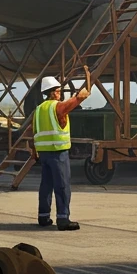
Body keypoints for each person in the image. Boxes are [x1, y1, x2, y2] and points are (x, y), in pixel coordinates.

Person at [31, 67, 92, 231]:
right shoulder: (56, 107)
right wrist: (81, 96)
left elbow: (34, 132)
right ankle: (63, 219)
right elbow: (69, 105)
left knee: (46, 185)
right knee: (62, 185)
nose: (59, 93)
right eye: (58, 90)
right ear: (53, 92)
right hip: (58, 152)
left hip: (43, 153)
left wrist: (34, 152)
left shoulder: (38, 110)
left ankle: (43, 217)